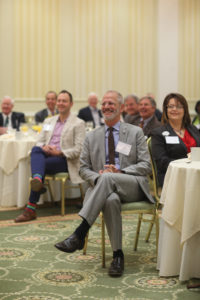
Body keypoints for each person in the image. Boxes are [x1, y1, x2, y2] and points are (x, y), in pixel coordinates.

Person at [55, 90, 154, 277]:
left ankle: (80, 231)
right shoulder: (91, 136)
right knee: (110, 199)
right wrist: (98, 176)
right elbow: (83, 168)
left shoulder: (135, 132)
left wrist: (121, 171)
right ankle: (118, 255)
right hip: (105, 187)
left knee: (108, 178)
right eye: (104, 103)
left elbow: (146, 165)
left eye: (111, 103)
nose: (107, 106)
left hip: (132, 185)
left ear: (121, 107)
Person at [15, 90, 85, 222]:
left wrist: (59, 152)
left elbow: (78, 150)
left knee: (39, 166)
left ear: (71, 104)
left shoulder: (78, 123)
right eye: (59, 100)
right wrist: (44, 147)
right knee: (36, 149)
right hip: (47, 155)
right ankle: (38, 182)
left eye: (64, 101)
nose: (60, 103)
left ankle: (31, 208)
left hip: (64, 160)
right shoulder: (49, 121)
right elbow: (40, 140)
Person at [151, 93, 200, 187]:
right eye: (170, 106)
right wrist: (186, 165)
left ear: (185, 110)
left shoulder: (192, 129)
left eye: (178, 106)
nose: (174, 109)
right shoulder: (158, 133)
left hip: (196, 173)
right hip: (173, 177)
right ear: (166, 110)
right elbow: (162, 161)